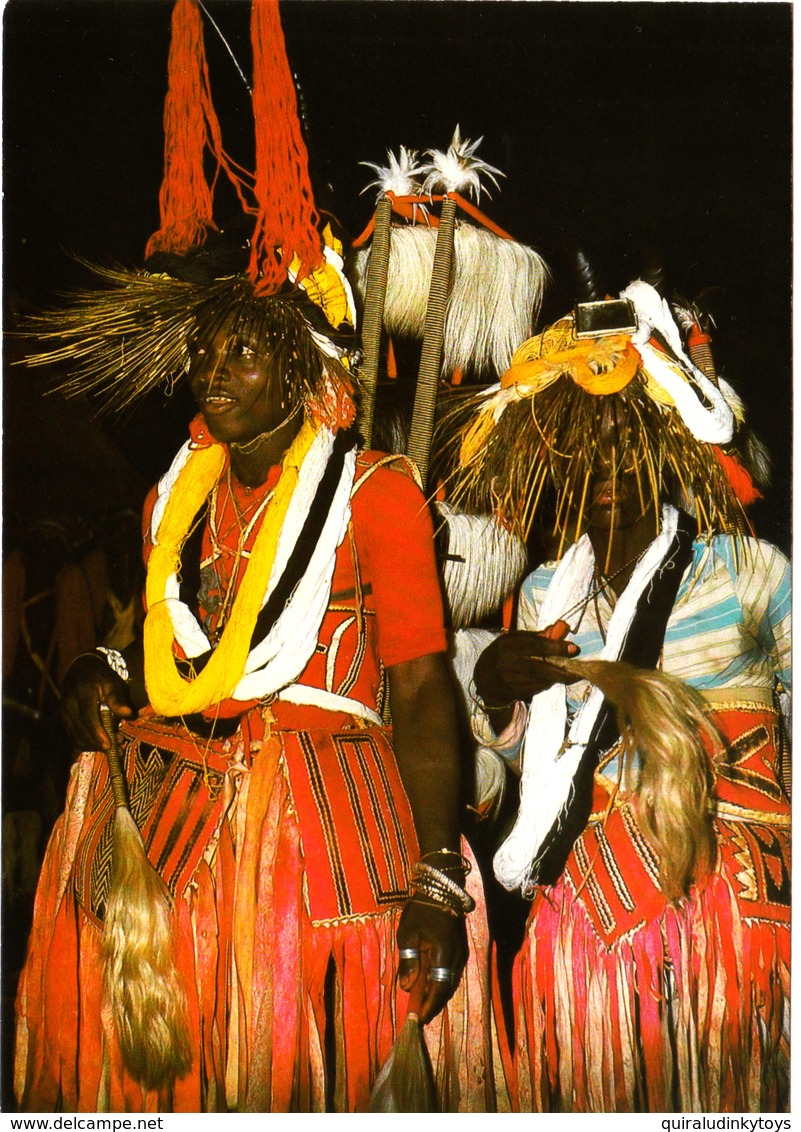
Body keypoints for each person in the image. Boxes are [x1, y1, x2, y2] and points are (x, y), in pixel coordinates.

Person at [12, 248, 499, 1111]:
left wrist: (435, 882)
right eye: (205, 352)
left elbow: (424, 688)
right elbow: (170, 642)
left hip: (316, 836)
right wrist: (108, 662)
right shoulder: (177, 497)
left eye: (243, 353)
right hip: (178, 826)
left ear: (304, 367)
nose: (212, 372)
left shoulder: (375, 494)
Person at [444, 281, 790, 1112]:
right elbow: (528, 768)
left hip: (729, 909)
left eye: (624, 443)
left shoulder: (748, 572)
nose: (604, 469)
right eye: (582, 450)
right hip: (587, 913)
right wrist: (495, 694)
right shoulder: (541, 600)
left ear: (666, 445)